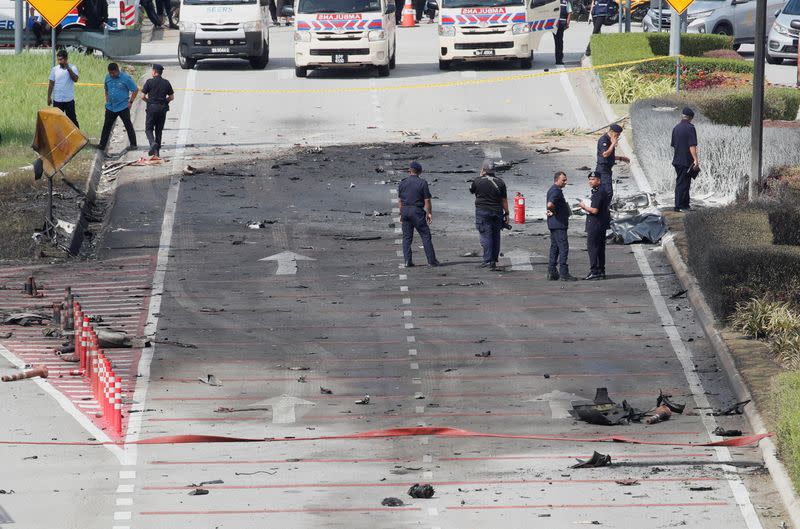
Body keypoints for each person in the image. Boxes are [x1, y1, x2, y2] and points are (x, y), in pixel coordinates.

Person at [398, 161, 440, 267]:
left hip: (405, 210)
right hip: (416, 211)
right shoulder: (422, 183)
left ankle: (407, 261)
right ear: (420, 171)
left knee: (407, 237)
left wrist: (401, 214)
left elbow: (400, 201)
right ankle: (431, 261)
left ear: (409, 171)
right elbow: (427, 200)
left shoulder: (402, 183)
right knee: (425, 235)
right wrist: (429, 213)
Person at [469, 160, 509, 271]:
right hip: (497, 212)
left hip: (483, 212)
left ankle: (487, 260)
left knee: (485, 236)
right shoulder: (500, 182)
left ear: (484, 170)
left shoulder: (478, 181)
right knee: (496, 236)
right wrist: (507, 214)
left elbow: (472, 190)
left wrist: (479, 176)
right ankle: (493, 260)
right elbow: (504, 200)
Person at [98, 63, 138, 153]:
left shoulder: (125, 78)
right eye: (110, 73)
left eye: (113, 73)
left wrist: (130, 102)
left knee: (128, 125)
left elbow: (135, 89)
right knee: (106, 126)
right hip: (110, 107)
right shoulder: (107, 77)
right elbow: (106, 89)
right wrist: (107, 100)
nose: (112, 75)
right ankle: (102, 145)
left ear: (117, 70)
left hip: (123, 106)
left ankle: (133, 144)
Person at [579, 171, 611, 280]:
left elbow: (594, 210)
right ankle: (601, 270)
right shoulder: (600, 191)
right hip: (601, 224)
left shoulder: (598, 192)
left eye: (593, 179)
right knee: (600, 248)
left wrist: (584, 207)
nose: (590, 181)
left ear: (599, 180)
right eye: (589, 179)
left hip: (595, 224)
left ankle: (594, 271)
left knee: (592, 247)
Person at [546, 171, 576, 281]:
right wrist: (552, 210)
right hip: (559, 224)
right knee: (563, 248)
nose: (565, 182)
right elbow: (550, 204)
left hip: (554, 224)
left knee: (555, 247)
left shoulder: (553, 190)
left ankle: (552, 271)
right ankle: (564, 273)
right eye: (563, 180)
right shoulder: (556, 191)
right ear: (556, 179)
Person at [141, 64, 174, 158]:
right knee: (159, 130)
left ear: (154, 72)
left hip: (152, 108)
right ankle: (157, 152)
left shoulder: (149, 82)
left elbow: (142, 96)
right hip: (162, 109)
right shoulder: (166, 82)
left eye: (152, 71)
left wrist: (149, 101)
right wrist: (164, 101)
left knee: (149, 128)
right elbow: (171, 97)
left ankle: (152, 143)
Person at [671, 107, 699, 212]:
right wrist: (695, 159)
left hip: (677, 160)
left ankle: (685, 204)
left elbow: (674, 144)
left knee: (684, 182)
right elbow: (692, 146)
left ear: (682, 116)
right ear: (691, 118)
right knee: (683, 183)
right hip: (686, 161)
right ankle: (678, 206)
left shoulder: (676, 128)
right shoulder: (690, 128)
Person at [595, 123, 629, 199]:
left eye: (619, 135)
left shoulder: (610, 140)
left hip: (608, 169)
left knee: (604, 190)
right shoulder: (604, 140)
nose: (617, 137)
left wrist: (621, 158)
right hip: (603, 169)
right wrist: (613, 143)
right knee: (608, 191)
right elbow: (605, 154)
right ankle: (604, 208)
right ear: (611, 131)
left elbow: (609, 156)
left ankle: (601, 207)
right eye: (617, 134)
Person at [48, 50, 80, 128]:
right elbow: (51, 83)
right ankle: (58, 138)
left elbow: (75, 79)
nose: (59, 62)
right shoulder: (54, 69)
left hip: (69, 100)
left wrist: (68, 69)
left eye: (61, 59)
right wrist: (49, 97)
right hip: (57, 100)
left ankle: (78, 137)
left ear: (66, 59)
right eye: (58, 59)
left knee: (72, 120)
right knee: (57, 121)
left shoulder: (73, 68)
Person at [553, 0, 572, 65]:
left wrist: (567, 23)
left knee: (559, 41)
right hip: (554, 24)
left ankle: (559, 59)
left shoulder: (566, 2)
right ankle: (558, 59)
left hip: (561, 24)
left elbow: (569, 12)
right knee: (557, 41)